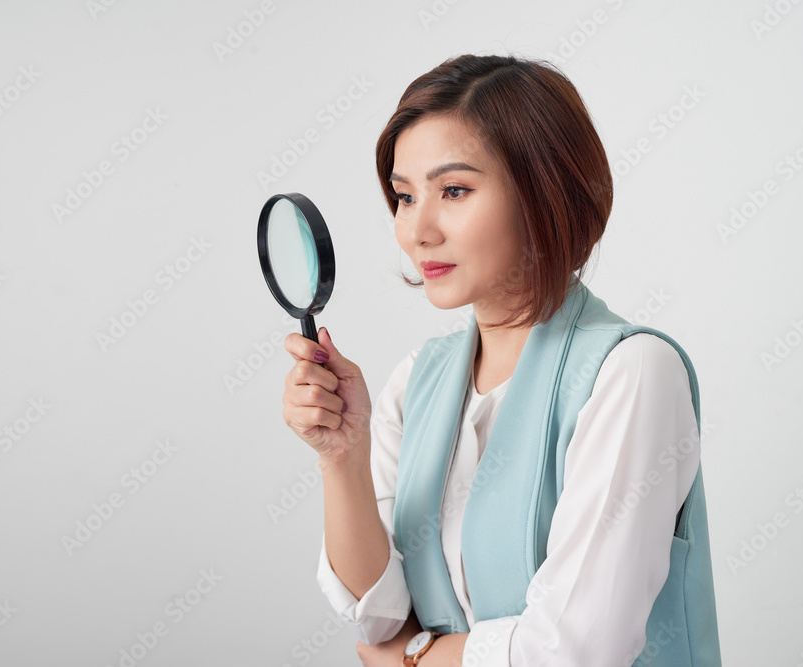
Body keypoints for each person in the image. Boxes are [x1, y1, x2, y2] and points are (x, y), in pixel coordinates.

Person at [281, 53, 721, 667]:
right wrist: (341, 459)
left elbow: (573, 651)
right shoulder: (417, 382)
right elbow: (376, 613)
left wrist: (410, 661)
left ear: (545, 193)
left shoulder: (632, 373)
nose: (417, 230)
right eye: (405, 197)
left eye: (454, 190)